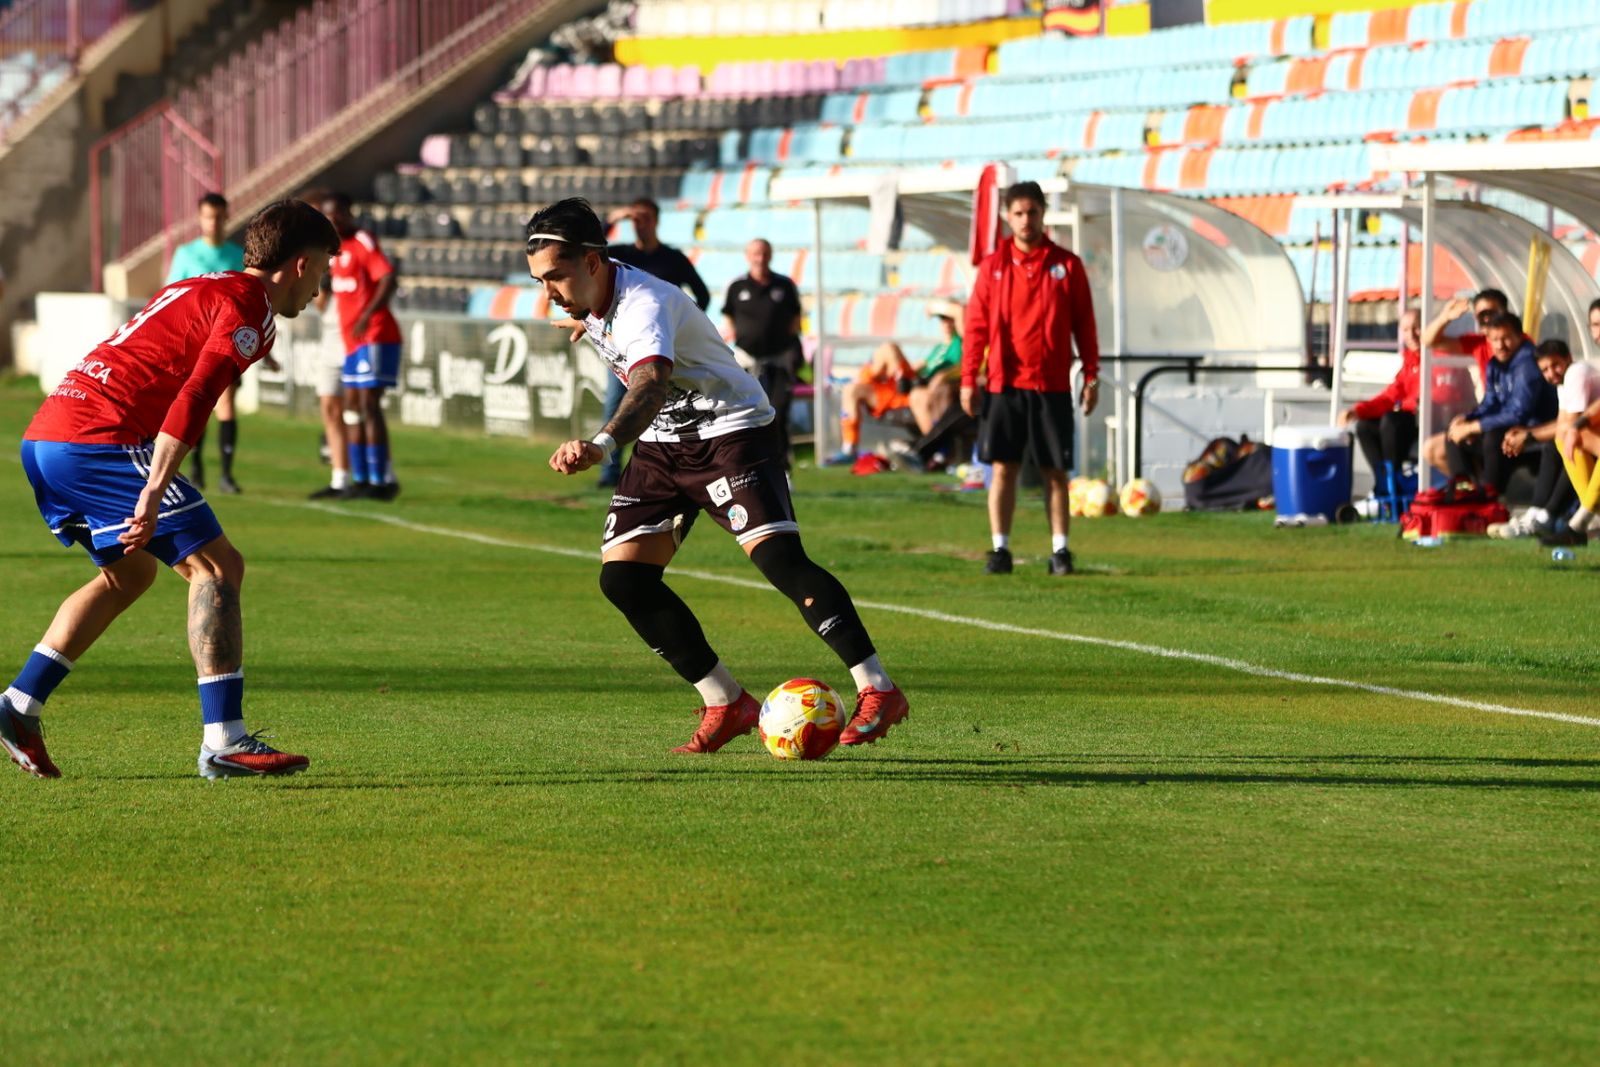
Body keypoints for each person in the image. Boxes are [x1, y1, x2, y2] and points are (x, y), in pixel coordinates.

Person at [528, 199, 908, 752]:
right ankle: (726, 701)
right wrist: (578, 316)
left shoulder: (644, 305)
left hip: (731, 433)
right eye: (540, 280)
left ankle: (879, 689)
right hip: (665, 447)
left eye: (555, 277)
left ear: (592, 262)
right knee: (624, 580)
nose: (548, 293)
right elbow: (591, 319)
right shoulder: (591, 295)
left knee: (779, 559)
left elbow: (651, 383)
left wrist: (603, 443)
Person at [1, 199, 337, 780]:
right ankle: (225, 741)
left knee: (129, 573)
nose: (321, 290)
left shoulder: (203, 283)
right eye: (325, 271)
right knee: (216, 567)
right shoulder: (252, 311)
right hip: (98, 440)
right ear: (302, 264)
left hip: (49, 434)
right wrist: (155, 490)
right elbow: (195, 398)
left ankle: (18, 705)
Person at [960, 180, 1099, 576]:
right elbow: (976, 328)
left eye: (1032, 212)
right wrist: (969, 378)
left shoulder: (1067, 266)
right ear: (1007, 217)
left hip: (1051, 384)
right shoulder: (994, 268)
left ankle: (1060, 551)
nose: (1026, 220)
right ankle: (999, 549)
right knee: (1004, 468)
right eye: (1018, 213)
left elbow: (1085, 326)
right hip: (1005, 385)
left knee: (1056, 471)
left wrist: (1091, 375)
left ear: (1042, 214)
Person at [594, 197, 711, 489]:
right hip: (623, 350)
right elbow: (589, 253)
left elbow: (702, 295)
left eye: (644, 218)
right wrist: (611, 219)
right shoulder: (619, 255)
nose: (638, 224)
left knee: (666, 408)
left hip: (661, 354)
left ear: (656, 220)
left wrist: (681, 330)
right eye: (633, 219)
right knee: (615, 406)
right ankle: (610, 472)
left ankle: (667, 471)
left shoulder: (672, 258)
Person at [166, 193, 249, 493]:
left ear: (227, 217)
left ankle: (227, 474)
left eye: (218, 216)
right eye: (208, 216)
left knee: (226, 403)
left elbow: (248, 304)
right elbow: (173, 298)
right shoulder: (186, 255)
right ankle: (197, 466)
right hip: (194, 344)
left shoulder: (238, 256)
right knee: (196, 403)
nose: (213, 222)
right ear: (200, 218)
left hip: (226, 344)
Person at [322, 192, 401, 500]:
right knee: (352, 408)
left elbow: (387, 278)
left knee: (368, 405)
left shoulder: (363, 242)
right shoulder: (334, 253)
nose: (335, 220)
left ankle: (380, 480)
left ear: (349, 213)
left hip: (375, 336)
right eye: (329, 217)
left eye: (339, 214)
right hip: (352, 342)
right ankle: (360, 479)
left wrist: (367, 315)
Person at [1422, 311, 1554, 493]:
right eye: (1494, 340)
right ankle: (1465, 491)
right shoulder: (1495, 363)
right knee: (1453, 433)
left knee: (1492, 437)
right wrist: (1467, 418)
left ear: (1519, 336)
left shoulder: (1528, 362)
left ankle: (1490, 498)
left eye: (1506, 338)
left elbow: (1519, 413)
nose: (1500, 345)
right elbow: (1490, 402)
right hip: (1508, 428)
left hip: (1535, 432)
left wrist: (1474, 427)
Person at [823, 302, 966, 467]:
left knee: (889, 348)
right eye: (942, 319)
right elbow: (918, 367)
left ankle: (937, 452)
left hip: (921, 389)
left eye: (950, 319)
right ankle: (849, 448)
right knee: (852, 390)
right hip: (907, 386)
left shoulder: (960, 343)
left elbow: (960, 312)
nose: (946, 323)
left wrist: (935, 307)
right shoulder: (937, 349)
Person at [722, 238, 802, 467]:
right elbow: (728, 313)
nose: (760, 258)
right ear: (748, 256)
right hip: (746, 361)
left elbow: (795, 317)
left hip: (778, 360)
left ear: (771, 255)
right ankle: (746, 465)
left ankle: (782, 469)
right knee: (743, 415)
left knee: (778, 413)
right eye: (756, 253)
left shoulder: (784, 285)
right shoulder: (737, 286)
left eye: (764, 253)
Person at [1490, 340, 1580, 539]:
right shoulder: (1564, 383)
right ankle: (1539, 514)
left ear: (1568, 359)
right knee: (1554, 445)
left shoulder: (1576, 375)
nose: (1551, 373)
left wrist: (1528, 436)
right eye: (1545, 369)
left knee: (1570, 446)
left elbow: (1569, 425)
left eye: (1555, 365)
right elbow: (1563, 422)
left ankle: (1547, 516)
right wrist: (1526, 435)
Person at [1339, 309, 1420, 510]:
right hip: (1405, 421)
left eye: (1416, 328)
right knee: (1364, 426)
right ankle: (1385, 485)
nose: (1412, 335)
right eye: (1406, 329)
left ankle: (1394, 486)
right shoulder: (1409, 363)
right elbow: (1390, 396)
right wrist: (1358, 411)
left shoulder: (1435, 357)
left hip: (1424, 421)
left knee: (1391, 421)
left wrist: (1405, 406)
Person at [307, 271, 353, 498]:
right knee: (330, 410)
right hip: (330, 346)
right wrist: (325, 284)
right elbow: (320, 305)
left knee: (356, 413)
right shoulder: (325, 260)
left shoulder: (356, 253)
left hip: (355, 344)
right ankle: (339, 478)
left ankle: (369, 476)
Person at [1422, 288, 1511, 384]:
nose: (1486, 319)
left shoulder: (1520, 342)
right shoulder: (1479, 344)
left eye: (1491, 313)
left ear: (1505, 313)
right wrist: (1445, 318)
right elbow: (1428, 341)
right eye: (1481, 314)